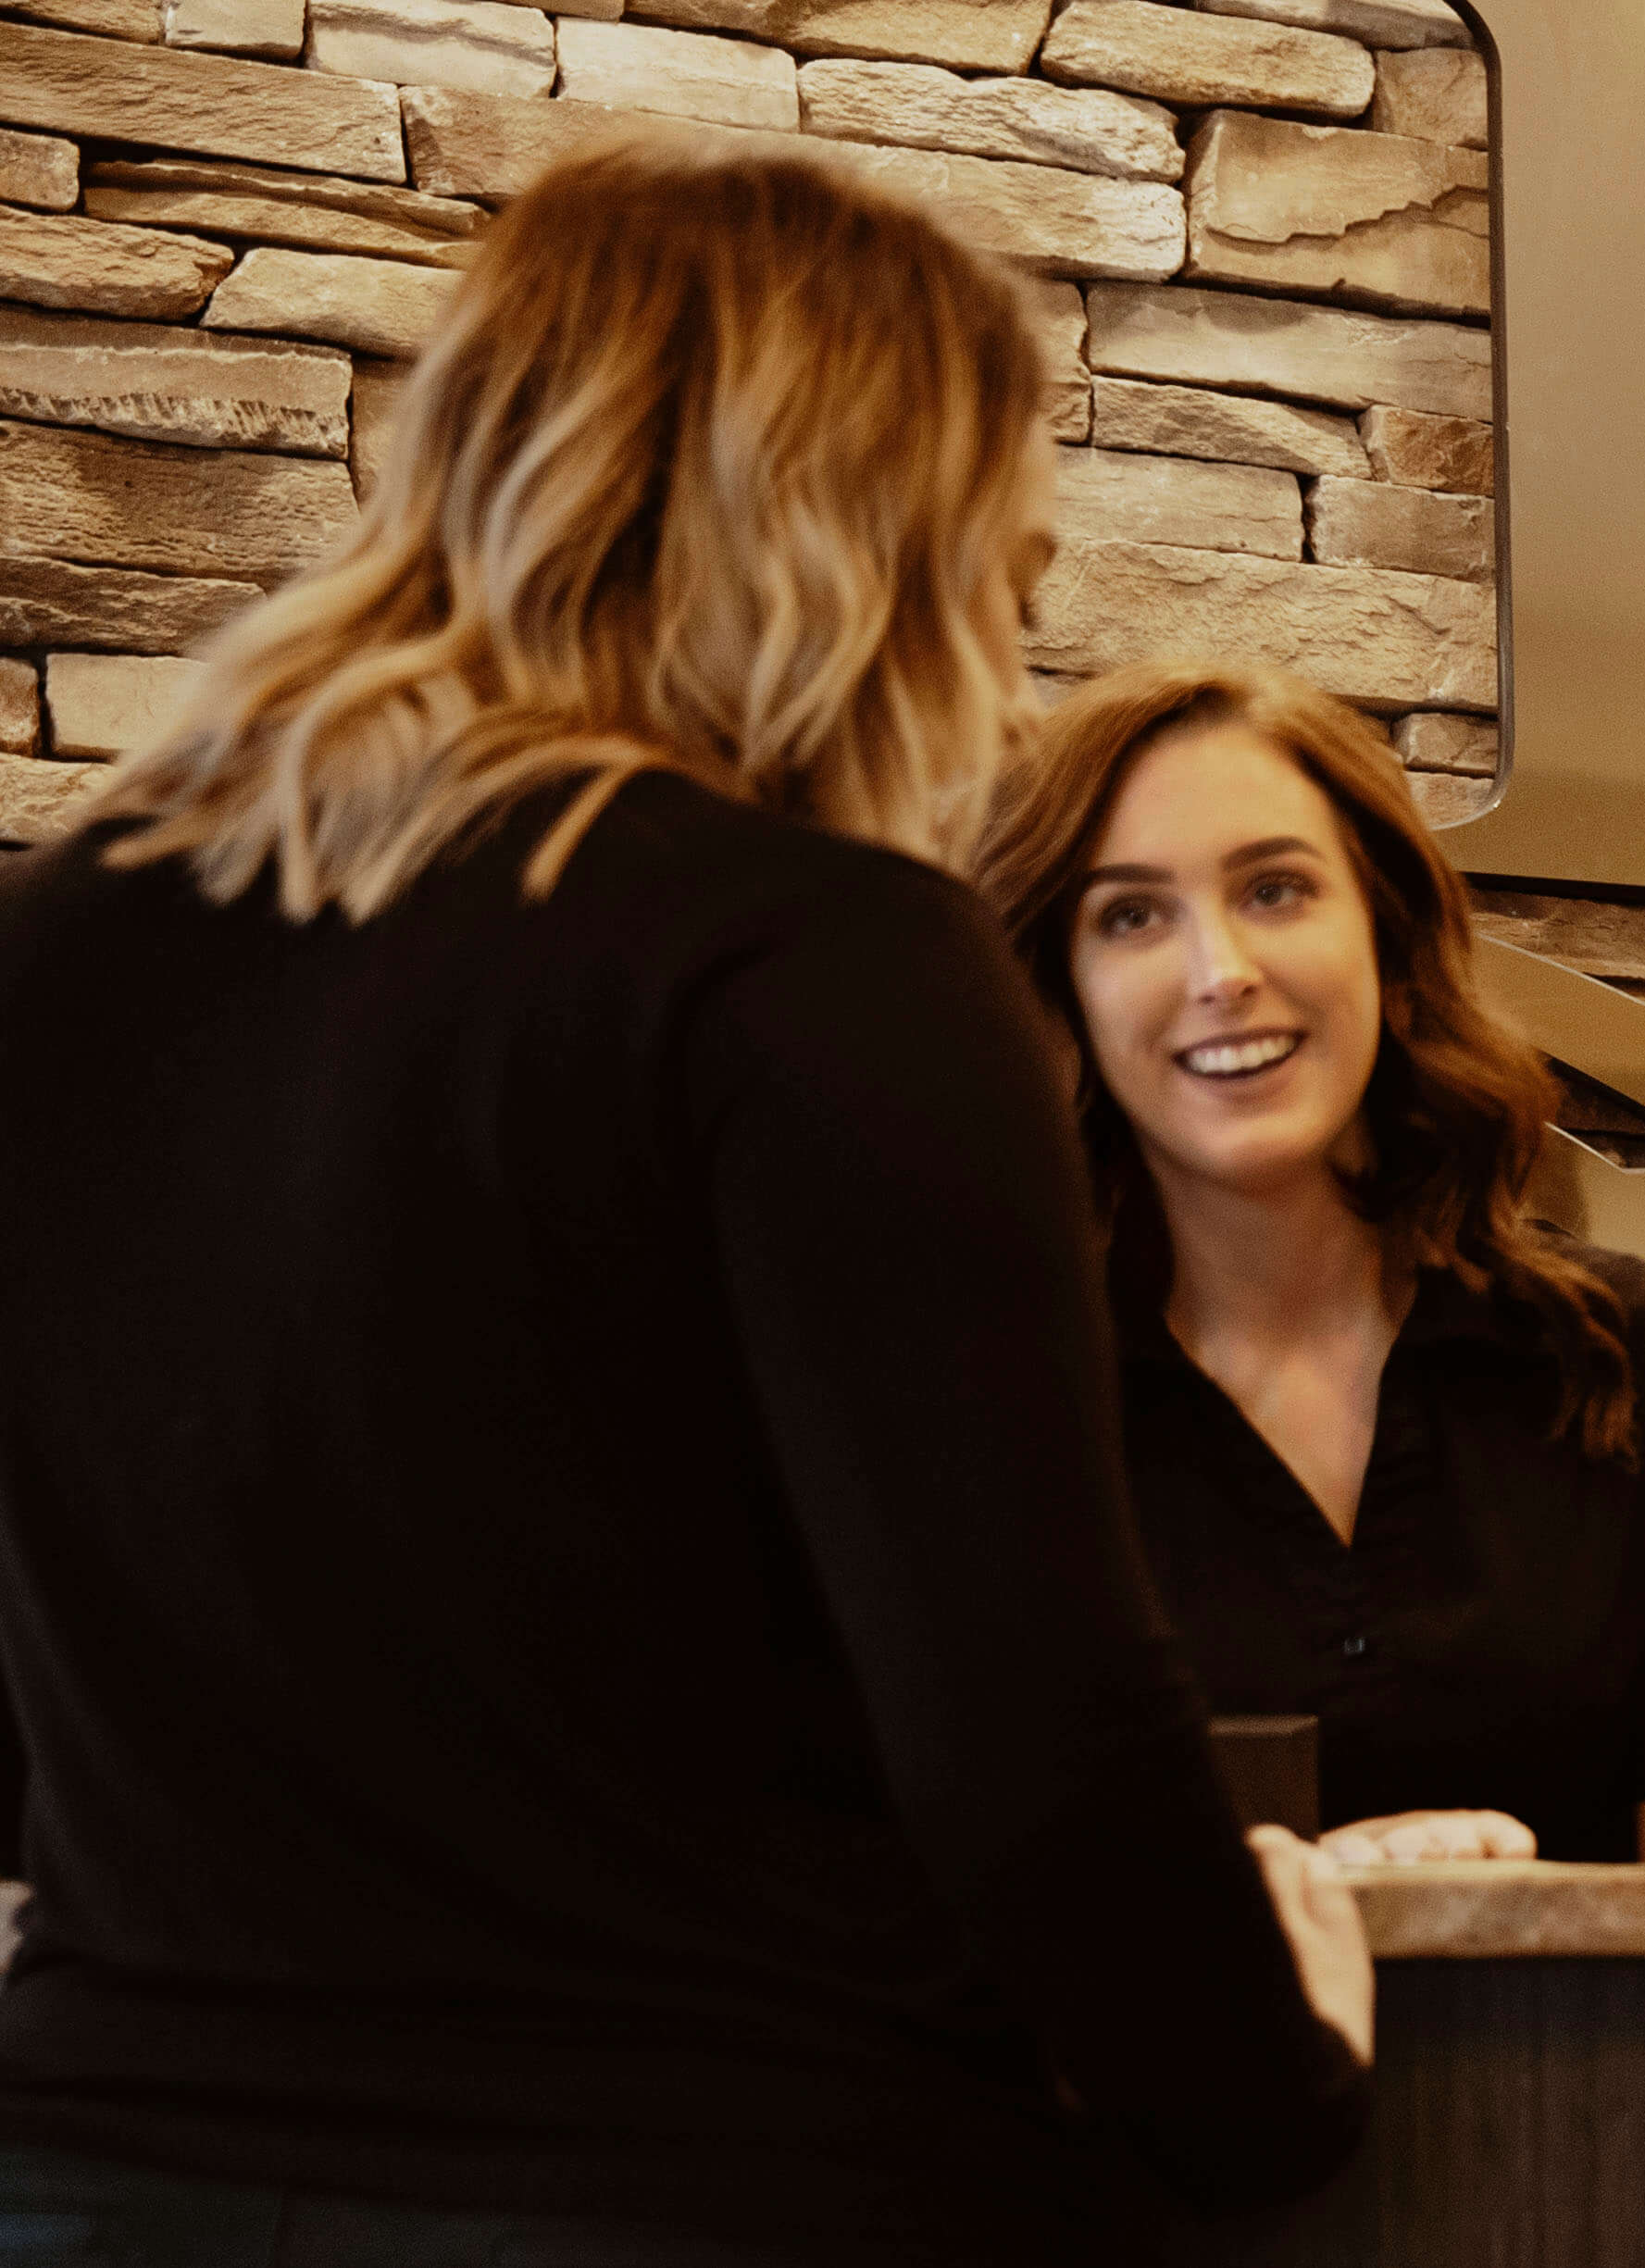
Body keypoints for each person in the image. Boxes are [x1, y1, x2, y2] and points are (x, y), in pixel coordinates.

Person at [0, 146, 1370, 2266]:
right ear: (861, 538)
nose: (998, 660)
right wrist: (1274, 2086)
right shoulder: (818, 959)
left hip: (99, 2180)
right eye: (994, 576)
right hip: (705, 2183)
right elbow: (1028, 1732)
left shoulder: (53, 949)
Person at [973, 663, 1645, 1871]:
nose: (1219, 971)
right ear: (1063, 989)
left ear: (1389, 940)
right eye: (1131, 915)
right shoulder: (992, 1410)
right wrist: (1317, 1885)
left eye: (1274, 888)